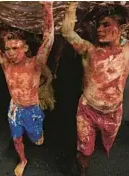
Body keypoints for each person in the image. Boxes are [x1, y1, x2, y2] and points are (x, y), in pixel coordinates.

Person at [0, 2, 54, 176]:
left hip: (32, 109)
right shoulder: (6, 64)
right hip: (14, 108)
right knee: (16, 138)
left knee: (37, 139)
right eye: (7, 49)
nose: (10, 52)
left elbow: (48, 40)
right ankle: (23, 160)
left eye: (15, 48)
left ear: (26, 48)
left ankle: (37, 133)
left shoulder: (36, 64)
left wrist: (48, 8)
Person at [61, 2, 129, 176]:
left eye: (106, 24)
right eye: (99, 25)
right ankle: (82, 170)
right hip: (88, 111)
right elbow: (67, 32)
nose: (99, 29)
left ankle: (98, 142)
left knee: (107, 140)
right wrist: (71, 6)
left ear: (122, 27)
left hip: (113, 113)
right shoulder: (89, 51)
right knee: (84, 150)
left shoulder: (126, 51)